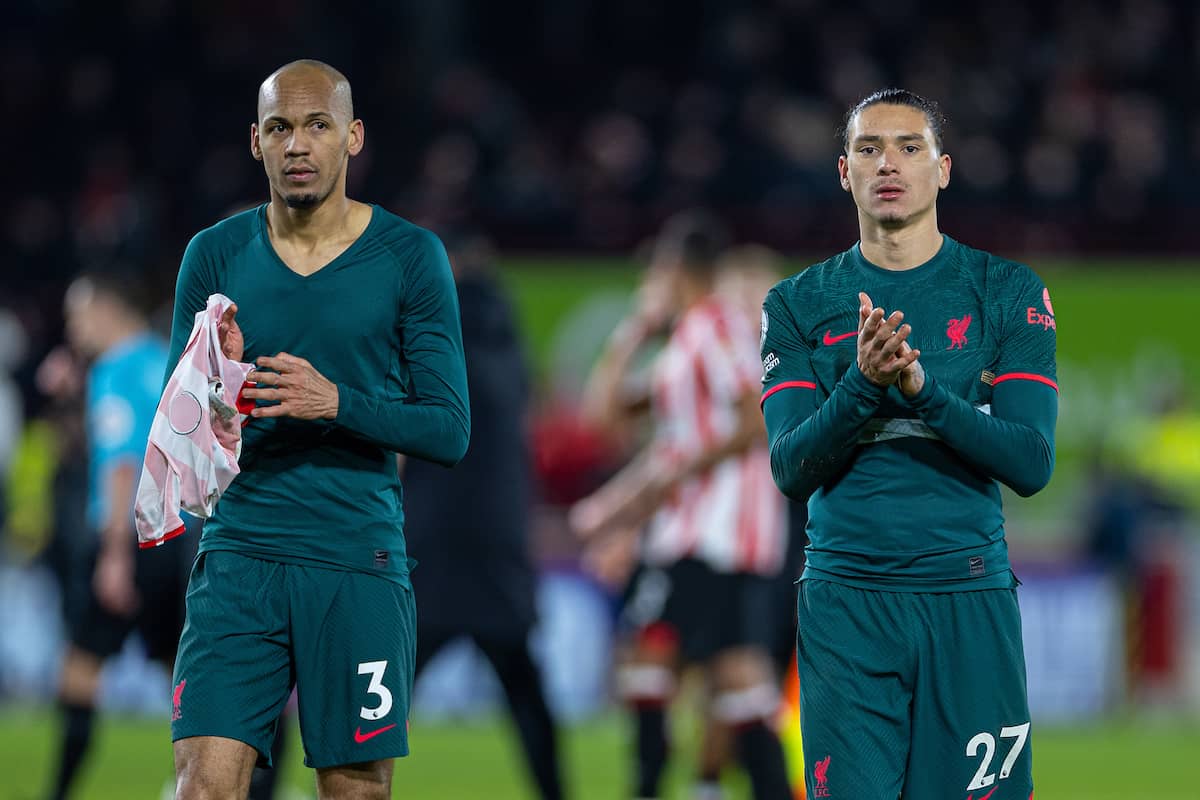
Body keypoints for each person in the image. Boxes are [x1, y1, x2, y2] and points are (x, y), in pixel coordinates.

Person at [163, 60, 470, 800]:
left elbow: (449, 429)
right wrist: (221, 385)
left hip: (356, 560)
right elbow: (181, 439)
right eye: (279, 128)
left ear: (352, 137)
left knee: (355, 791)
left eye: (316, 125)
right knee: (202, 789)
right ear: (256, 143)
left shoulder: (410, 257)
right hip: (240, 554)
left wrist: (338, 402)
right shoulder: (213, 255)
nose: (297, 144)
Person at [759, 88, 1057, 799]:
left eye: (908, 147)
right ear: (843, 172)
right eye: (868, 149)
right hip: (847, 604)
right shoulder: (795, 303)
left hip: (968, 594)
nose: (887, 163)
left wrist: (924, 392)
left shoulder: (1006, 291)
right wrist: (864, 385)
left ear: (943, 169)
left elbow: (1031, 462)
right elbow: (790, 467)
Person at [571, 212, 792, 800]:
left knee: (661, 660)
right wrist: (635, 330)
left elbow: (752, 420)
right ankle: (708, 787)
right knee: (729, 676)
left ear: (674, 270)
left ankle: (659, 787)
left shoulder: (717, 327)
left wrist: (674, 476)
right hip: (690, 535)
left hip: (713, 536)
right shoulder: (685, 340)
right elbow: (604, 416)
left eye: (656, 274)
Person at [402, 228, 565, 800]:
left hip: (432, 539)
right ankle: (553, 792)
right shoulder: (509, 345)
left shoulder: (426, 340)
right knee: (524, 688)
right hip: (499, 541)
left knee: (381, 689)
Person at [45, 272, 195, 800]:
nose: (73, 328)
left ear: (107, 310)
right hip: (179, 538)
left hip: (127, 539)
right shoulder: (171, 361)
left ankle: (58, 793)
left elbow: (118, 465)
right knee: (184, 680)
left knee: (78, 674)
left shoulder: (114, 369)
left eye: (78, 315)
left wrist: (113, 555)